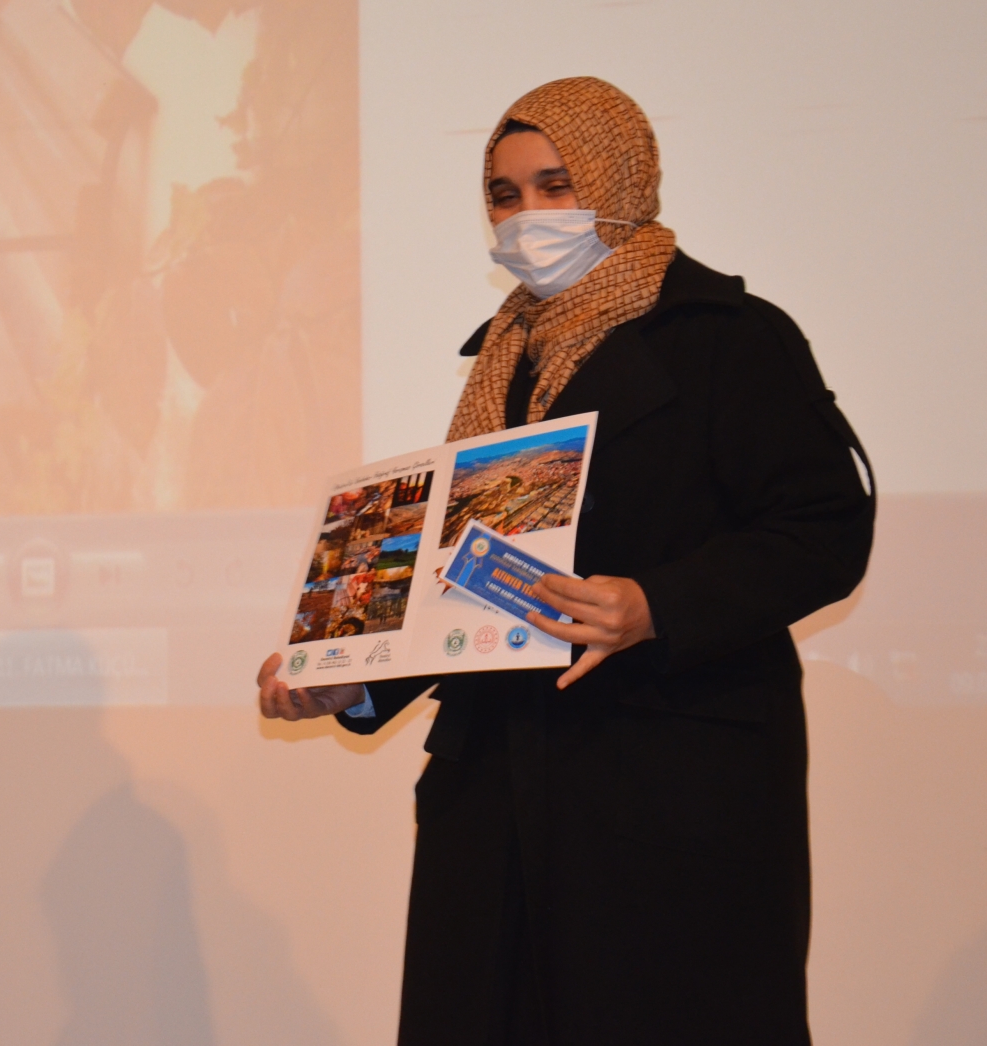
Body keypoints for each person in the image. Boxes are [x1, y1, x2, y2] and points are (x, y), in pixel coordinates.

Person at [257, 77, 873, 1044]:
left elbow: (823, 528)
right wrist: (353, 675)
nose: (527, 216)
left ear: (622, 179)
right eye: (504, 195)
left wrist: (657, 604)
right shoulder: (507, 358)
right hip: (497, 791)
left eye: (556, 185)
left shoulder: (732, 338)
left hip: (668, 787)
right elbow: (473, 579)